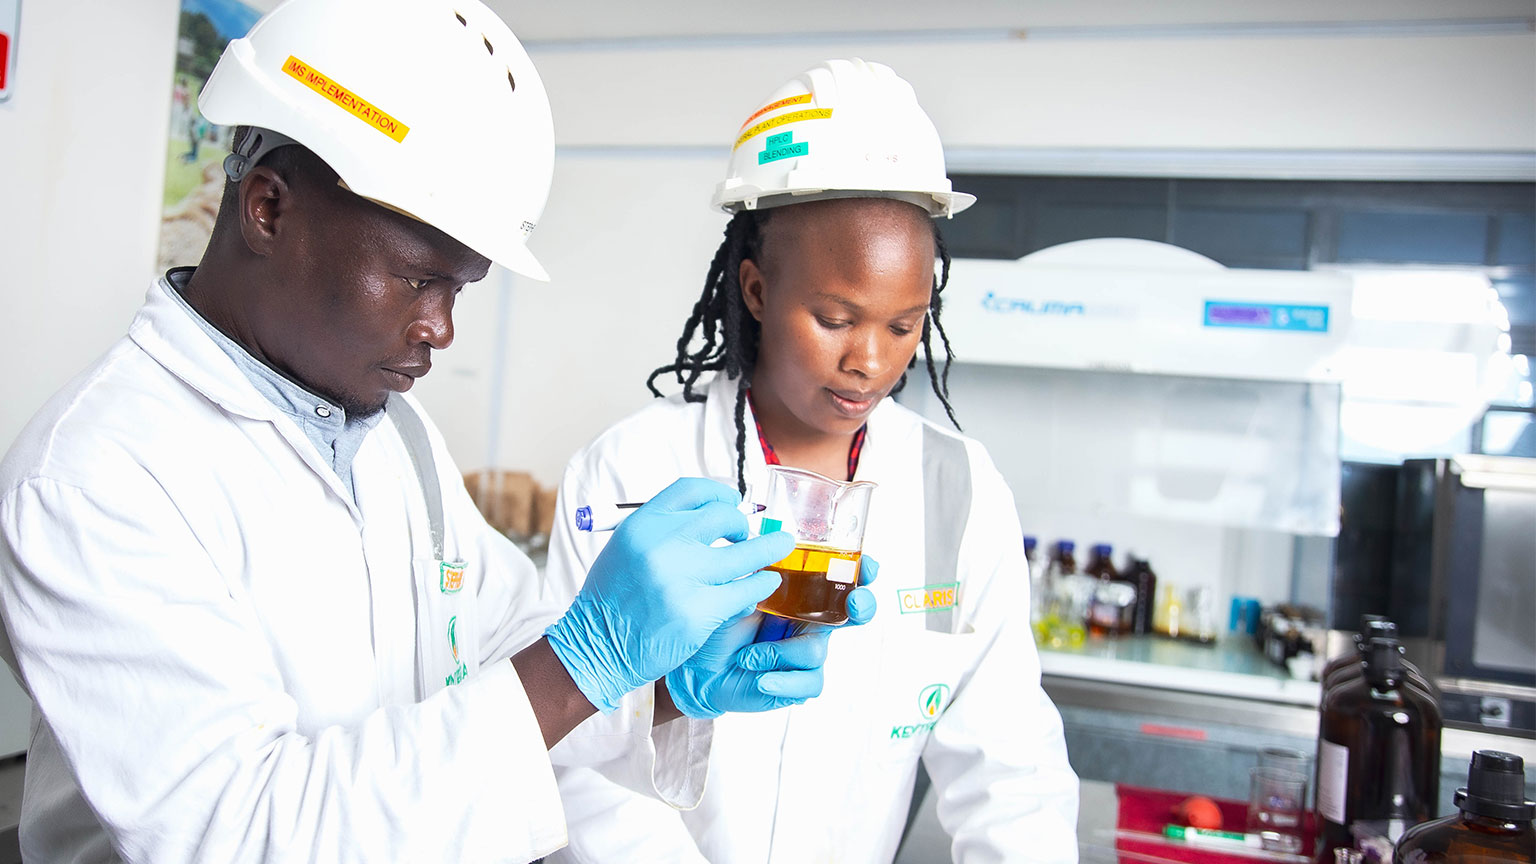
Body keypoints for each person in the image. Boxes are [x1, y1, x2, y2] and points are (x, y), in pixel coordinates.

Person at [0, 2, 873, 861]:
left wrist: (667, 684)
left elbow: (500, 648)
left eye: (460, 289)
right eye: (419, 279)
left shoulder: (394, 432)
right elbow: (241, 834)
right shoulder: (95, 475)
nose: (442, 329)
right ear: (268, 209)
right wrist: (584, 664)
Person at [544, 59, 1081, 863]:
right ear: (757, 290)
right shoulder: (631, 471)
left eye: (904, 326)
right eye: (835, 319)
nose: (870, 361)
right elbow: (571, 757)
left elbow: (1010, 771)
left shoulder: (956, 488)